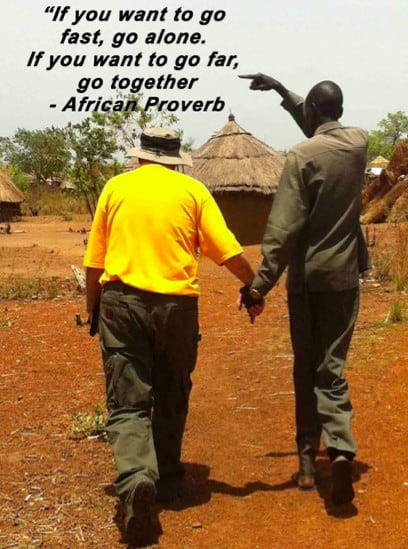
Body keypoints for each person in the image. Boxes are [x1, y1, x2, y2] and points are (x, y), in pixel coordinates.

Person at [83, 127, 257, 545]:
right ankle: (167, 477)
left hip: (121, 303)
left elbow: (94, 262)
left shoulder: (116, 189)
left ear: (141, 156)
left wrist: (93, 308)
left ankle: (136, 479)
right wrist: (253, 288)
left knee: (127, 402)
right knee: (173, 390)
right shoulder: (193, 192)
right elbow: (229, 251)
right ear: (175, 159)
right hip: (177, 309)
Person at [239, 73, 369, 505]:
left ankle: (308, 464)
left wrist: (259, 286)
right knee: (330, 369)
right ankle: (341, 448)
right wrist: (283, 93)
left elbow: (282, 229)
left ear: (312, 112)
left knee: (304, 368)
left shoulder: (300, 156)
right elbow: (324, 129)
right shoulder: (357, 145)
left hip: (307, 283)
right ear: (341, 112)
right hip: (345, 279)